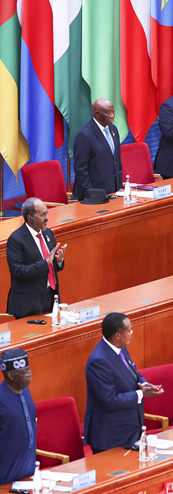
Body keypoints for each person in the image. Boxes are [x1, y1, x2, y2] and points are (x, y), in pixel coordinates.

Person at [84, 312, 162, 452]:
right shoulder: (99, 361)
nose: (132, 333)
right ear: (117, 335)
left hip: (129, 430)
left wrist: (144, 384)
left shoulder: (119, 347)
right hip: (111, 436)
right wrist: (141, 394)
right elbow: (109, 400)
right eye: (129, 330)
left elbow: (132, 372)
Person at [6, 198, 65, 319]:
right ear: (30, 217)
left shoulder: (48, 233)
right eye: (42, 215)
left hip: (50, 298)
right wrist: (46, 263)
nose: (47, 218)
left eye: (47, 213)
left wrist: (59, 261)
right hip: (28, 304)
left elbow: (51, 268)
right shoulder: (16, 239)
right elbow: (19, 271)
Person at [72, 98, 122, 200]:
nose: (112, 116)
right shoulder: (85, 135)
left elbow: (116, 161)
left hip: (114, 192)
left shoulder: (113, 130)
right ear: (97, 114)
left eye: (113, 112)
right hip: (95, 195)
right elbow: (80, 169)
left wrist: (120, 187)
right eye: (108, 112)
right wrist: (91, 193)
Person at [0, 349, 37, 485]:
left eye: (29, 369)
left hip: (28, 476)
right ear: (11, 375)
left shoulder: (25, 391)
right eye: (24, 372)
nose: (30, 374)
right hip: (5, 477)